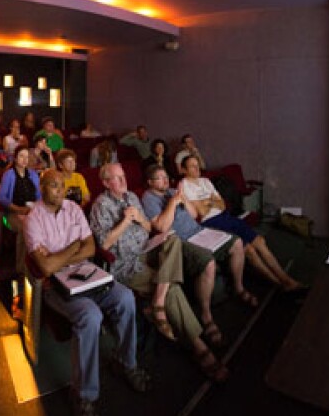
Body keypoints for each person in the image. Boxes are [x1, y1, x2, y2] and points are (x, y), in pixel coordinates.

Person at [24, 169, 150, 416]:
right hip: (56, 286)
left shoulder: (73, 209)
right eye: (55, 186)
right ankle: (83, 396)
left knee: (125, 298)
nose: (61, 190)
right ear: (43, 187)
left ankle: (127, 362)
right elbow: (46, 267)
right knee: (90, 316)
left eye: (63, 186)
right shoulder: (33, 217)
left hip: (88, 275)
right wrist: (73, 249)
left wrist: (61, 254)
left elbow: (91, 248)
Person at [89, 163, 229, 382]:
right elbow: (104, 245)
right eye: (117, 178)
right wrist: (125, 220)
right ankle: (200, 348)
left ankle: (158, 302)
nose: (123, 180)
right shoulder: (100, 206)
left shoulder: (132, 198)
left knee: (172, 239)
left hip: (146, 249)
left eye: (123, 175)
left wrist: (139, 219)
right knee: (172, 287)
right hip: (126, 262)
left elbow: (147, 228)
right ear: (106, 183)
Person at [178, 155, 306, 292]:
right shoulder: (184, 185)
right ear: (184, 170)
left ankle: (286, 279)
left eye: (197, 165)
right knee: (249, 250)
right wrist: (211, 201)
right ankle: (279, 284)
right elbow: (202, 212)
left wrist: (206, 202)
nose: (197, 168)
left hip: (224, 216)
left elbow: (222, 205)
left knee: (260, 241)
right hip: (210, 222)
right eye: (192, 166)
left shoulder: (205, 181)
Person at [143, 164, 259, 311]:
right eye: (159, 178)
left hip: (198, 231)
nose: (165, 181)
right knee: (208, 262)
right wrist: (173, 203)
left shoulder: (173, 191)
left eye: (166, 177)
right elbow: (161, 227)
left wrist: (184, 199)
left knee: (236, 242)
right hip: (181, 240)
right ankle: (206, 314)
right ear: (150, 182)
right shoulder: (148, 199)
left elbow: (194, 215)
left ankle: (239, 288)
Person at [0, 147, 41, 274]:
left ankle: (38, 263)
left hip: (31, 211)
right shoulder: (9, 174)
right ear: (15, 158)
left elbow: (39, 196)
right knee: (25, 228)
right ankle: (21, 268)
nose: (24, 160)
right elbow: (2, 197)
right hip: (13, 211)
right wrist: (19, 209)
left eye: (27, 157)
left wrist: (34, 209)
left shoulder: (33, 174)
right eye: (21, 156)